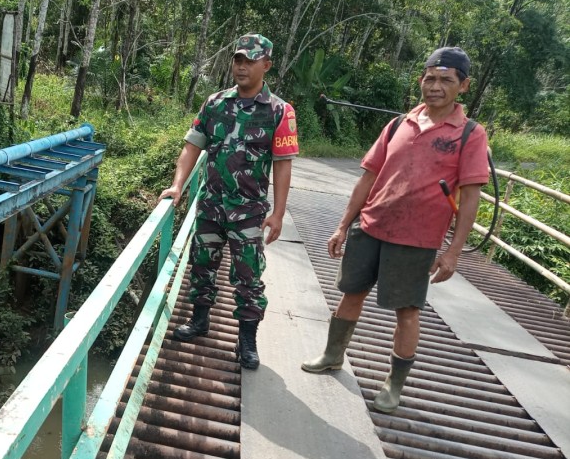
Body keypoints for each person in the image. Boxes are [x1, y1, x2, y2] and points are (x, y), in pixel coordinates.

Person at [301, 46, 489, 413]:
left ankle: (394, 384)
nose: (435, 86)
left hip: (417, 240)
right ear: (421, 80)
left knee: (407, 310)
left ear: (463, 86)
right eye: (430, 79)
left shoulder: (470, 134)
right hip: (371, 225)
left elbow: (470, 198)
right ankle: (332, 355)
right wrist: (343, 225)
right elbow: (368, 177)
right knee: (351, 293)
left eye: (446, 80)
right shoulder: (399, 123)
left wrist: (453, 253)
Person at [160, 33, 299, 370]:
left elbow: (282, 164)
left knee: (248, 276)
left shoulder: (280, 111)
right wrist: (178, 186)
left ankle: (247, 341)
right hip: (211, 204)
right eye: (238, 59)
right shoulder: (215, 103)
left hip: (248, 212)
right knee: (202, 265)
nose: (242, 66)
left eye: (250, 61)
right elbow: (192, 146)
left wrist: (278, 213)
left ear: (266, 65)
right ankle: (199, 320)